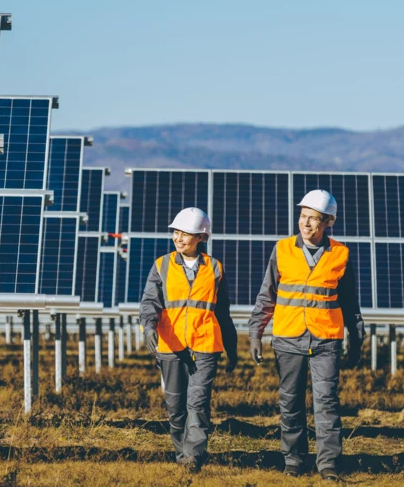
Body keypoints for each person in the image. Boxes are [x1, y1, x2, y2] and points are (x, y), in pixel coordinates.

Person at [247, 190, 365, 482]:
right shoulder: (282, 249)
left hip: (326, 339)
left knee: (327, 403)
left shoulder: (341, 254)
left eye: (314, 219)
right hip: (288, 338)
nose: (306, 224)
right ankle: (295, 460)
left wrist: (357, 337)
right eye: (303, 217)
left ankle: (328, 465)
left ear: (327, 222)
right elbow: (267, 296)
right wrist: (254, 333)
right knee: (290, 402)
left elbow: (350, 302)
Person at [138, 207, 238, 473]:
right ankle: (182, 452)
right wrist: (149, 328)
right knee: (175, 405)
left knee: (198, 401)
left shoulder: (215, 268)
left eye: (185, 233)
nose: (179, 238)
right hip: (171, 346)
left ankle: (192, 457)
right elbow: (150, 303)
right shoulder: (161, 265)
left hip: (205, 345)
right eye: (176, 232)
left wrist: (232, 347)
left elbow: (223, 311)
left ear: (201, 237)